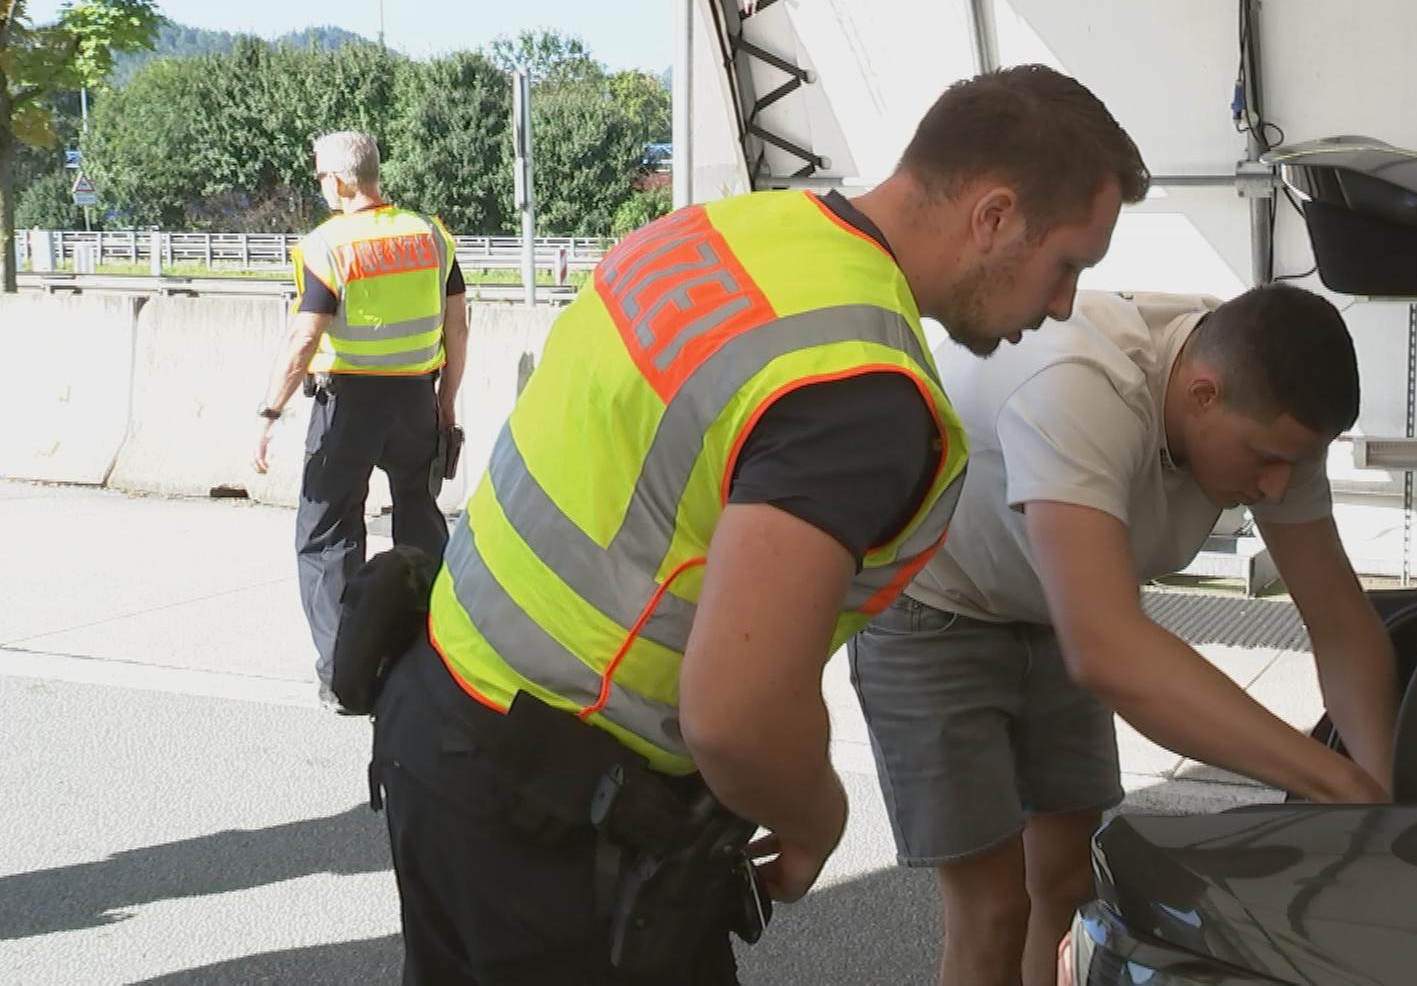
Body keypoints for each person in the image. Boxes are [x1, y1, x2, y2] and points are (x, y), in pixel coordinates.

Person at [366, 65, 1150, 984]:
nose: (1063, 305)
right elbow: (737, 716)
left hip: (439, 713)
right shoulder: (859, 384)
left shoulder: (729, 231)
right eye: (1069, 265)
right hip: (557, 819)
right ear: (994, 217)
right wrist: (818, 822)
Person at [848, 284, 1399, 986]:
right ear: (1202, 395)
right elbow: (1109, 648)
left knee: (1068, 879)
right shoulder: (1082, 381)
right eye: (1264, 458)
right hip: (933, 607)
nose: (1275, 485)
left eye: (1292, 462)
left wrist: (1379, 795)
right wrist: (1332, 780)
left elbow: (1340, 622)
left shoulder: (1272, 417)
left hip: (1058, 607)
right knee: (991, 909)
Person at [252, 130, 468, 709]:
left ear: (342, 181)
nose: (320, 183)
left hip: (347, 404)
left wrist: (271, 409)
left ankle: (345, 677)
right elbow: (458, 328)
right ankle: (438, 661)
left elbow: (305, 335)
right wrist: (445, 405)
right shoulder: (431, 235)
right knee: (422, 526)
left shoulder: (327, 246)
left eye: (322, 175)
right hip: (416, 400)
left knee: (326, 533)